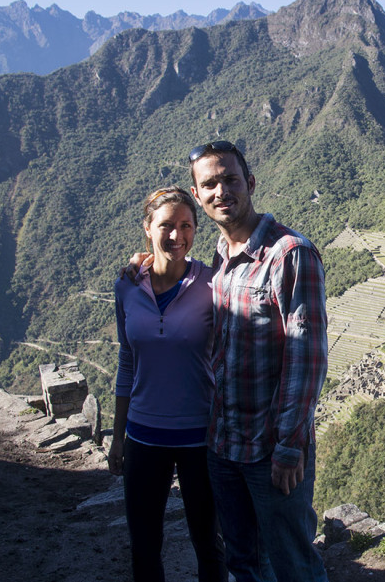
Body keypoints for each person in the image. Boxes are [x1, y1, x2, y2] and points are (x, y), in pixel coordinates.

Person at [188, 140, 329, 582]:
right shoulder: (220, 257)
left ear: (250, 182)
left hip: (270, 450)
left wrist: (289, 447)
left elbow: (306, 359)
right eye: (210, 184)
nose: (221, 191)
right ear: (198, 196)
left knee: (293, 564)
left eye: (230, 180)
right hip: (222, 445)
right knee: (243, 562)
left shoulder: (290, 254)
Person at [110, 186, 227, 582]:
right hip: (143, 435)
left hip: (201, 437)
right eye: (166, 226)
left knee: (208, 544)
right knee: (143, 546)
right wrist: (117, 437)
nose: (177, 236)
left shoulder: (213, 286)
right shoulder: (126, 286)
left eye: (186, 226)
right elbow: (127, 362)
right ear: (147, 228)